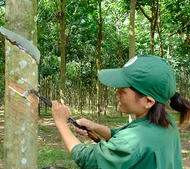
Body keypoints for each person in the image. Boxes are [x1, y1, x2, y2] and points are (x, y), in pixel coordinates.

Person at [51, 55, 190, 169]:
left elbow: (88, 160)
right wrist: (95, 126)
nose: (117, 93)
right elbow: (123, 138)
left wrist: (60, 121)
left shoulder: (135, 139)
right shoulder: (166, 121)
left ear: (148, 101)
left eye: (122, 91)